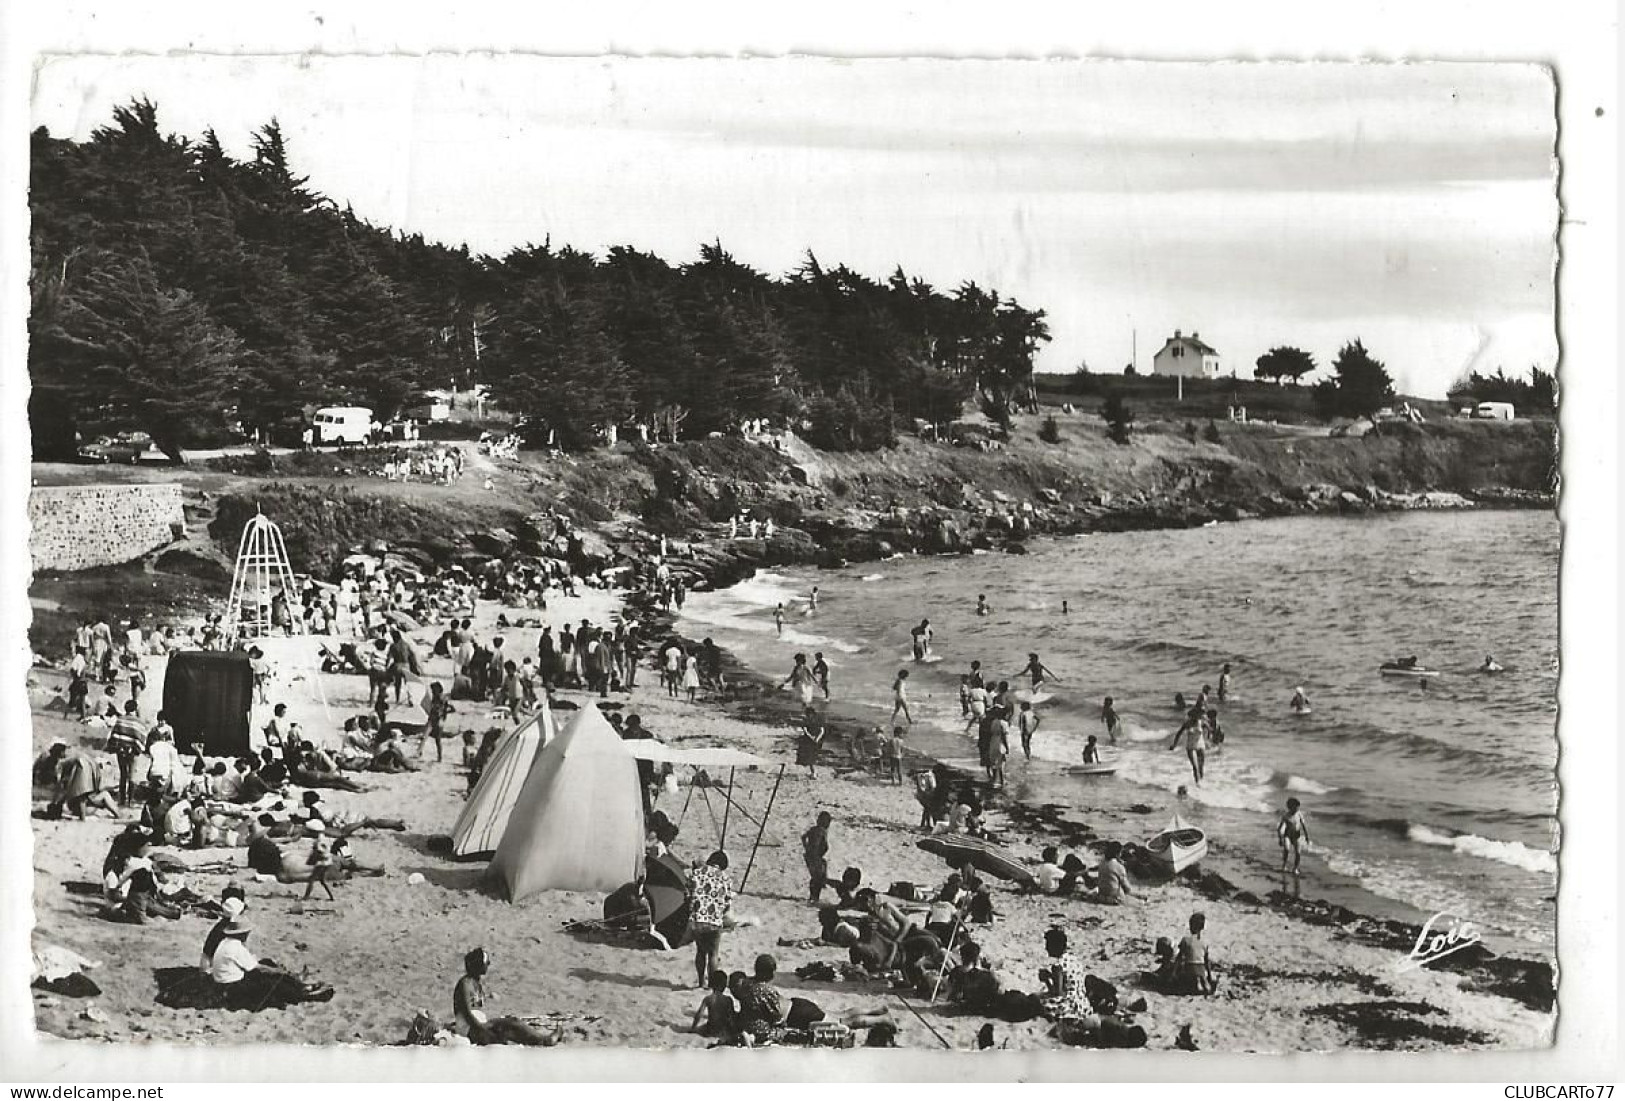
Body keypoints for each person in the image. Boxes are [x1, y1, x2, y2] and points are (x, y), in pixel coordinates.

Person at [207, 918, 334, 1008]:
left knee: (267, 964)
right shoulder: (236, 947)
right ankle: (303, 991)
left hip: (224, 981)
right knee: (271, 980)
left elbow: (250, 962)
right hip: (232, 986)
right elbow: (257, 968)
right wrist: (277, 970)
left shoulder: (226, 942)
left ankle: (298, 982)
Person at [453, 948, 561, 1045]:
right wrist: (482, 1028)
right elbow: (466, 1013)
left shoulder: (475, 983)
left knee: (511, 1025)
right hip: (470, 1028)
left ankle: (541, 1040)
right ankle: (545, 1040)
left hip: (478, 1025)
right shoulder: (465, 984)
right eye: (486, 962)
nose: (488, 964)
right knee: (509, 1025)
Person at [688, 851, 734, 988]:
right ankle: (712, 985)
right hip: (714, 920)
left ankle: (701, 982)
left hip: (698, 919)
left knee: (700, 952)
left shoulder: (697, 873)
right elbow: (727, 903)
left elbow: (688, 894)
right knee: (713, 954)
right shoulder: (725, 878)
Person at [1039, 927, 1089, 1021]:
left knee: (1038, 1001)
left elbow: (1058, 993)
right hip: (1082, 1003)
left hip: (1069, 1007)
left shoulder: (1058, 966)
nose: (1046, 948)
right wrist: (1051, 976)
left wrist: (1046, 981)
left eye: (1048, 945)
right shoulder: (1074, 960)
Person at [1175, 912, 1216, 994]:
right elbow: (1206, 961)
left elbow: (1179, 958)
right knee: (1200, 973)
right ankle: (1203, 983)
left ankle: (1195, 983)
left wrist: (1173, 973)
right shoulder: (1205, 942)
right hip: (1200, 969)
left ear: (1190, 926)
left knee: (1183, 973)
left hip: (1189, 969)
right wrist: (1209, 975)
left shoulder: (1185, 940)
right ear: (1202, 927)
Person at [690, 969, 737, 1039]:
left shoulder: (708, 999)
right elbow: (732, 1016)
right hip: (723, 1030)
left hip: (711, 1029)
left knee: (701, 1028)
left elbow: (699, 1014)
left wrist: (693, 1028)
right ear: (724, 986)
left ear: (711, 984)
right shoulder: (728, 999)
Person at [1167, 707, 1209, 784]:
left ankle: (1202, 783)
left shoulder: (1202, 722)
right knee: (1195, 767)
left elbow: (1209, 730)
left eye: (1199, 715)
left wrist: (1208, 740)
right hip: (1191, 746)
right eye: (1196, 715)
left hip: (1201, 745)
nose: (1198, 717)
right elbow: (1179, 733)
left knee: (1201, 767)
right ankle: (1198, 784)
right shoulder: (1187, 723)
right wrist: (1174, 745)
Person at [802, 811, 832, 903]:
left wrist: (806, 847)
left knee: (816, 876)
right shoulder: (821, 831)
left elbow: (803, 837)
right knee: (817, 878)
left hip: (810, 855)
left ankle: (813, 896)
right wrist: (818, 852)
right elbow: (824, 845)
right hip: (815, 857)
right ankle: (815, 897)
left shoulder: (813, 829)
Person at [422, 681, 453, 762]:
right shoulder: (437, 697)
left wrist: (442, 714)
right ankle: (420, 752)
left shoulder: (441, 699)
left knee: (436, 739)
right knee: (427, 736)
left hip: (437, 720)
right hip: (434, 719)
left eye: (433, 690)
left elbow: (448, 709)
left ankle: (439, 757)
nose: (432, 691)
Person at [1278, 797, 1310, 874]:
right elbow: (1279, 828)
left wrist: (1307, 836)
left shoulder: (1299, 814)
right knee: (1287, 849)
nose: (1297, 809)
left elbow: (1303, 826)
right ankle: (1284, 865)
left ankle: (1295, 868)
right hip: (1287, 835)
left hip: (1297, 835)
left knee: (1298, 853)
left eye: (1298, 807)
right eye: (1295, 808)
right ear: (1290, 807)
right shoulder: (1286, 816)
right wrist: (1280, 839)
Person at [1096, 840, 1133, 905]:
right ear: (1117, 854)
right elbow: (1127, 889)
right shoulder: (1118, 866)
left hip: (1100, 897)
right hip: (1114, 899)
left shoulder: (1101, 863)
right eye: (1120, 852)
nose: (1121, 854)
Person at [796, 707, 825, 779]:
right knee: (813, 757)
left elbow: (805, 731)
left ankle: (814, 773)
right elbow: (822, 731)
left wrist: (812, 737)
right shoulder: (818, 720)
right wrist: (817, 739)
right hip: (817, 741)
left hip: (808, 741)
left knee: (809, 757)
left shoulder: (806, 720)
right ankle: (814, 773)